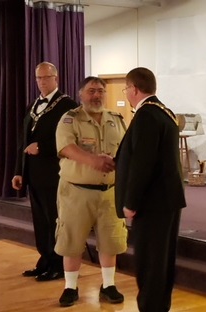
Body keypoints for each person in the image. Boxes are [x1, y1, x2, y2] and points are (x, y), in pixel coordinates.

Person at [115, 67, 186, 312]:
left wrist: (130, 202)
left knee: (150, 262)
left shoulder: (146, 115)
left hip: (151, 202)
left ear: (134, 88)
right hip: (166, 200)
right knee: (162, 260)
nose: (127, 93)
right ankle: (158, 306)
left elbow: (142, 163)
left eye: (127, 89)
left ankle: (150, 307)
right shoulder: (164, 112)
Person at [54, 76, 128, 307]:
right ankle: (70, 287)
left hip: (110, 193)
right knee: (72, 241)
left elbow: (126, 150)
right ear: (81, 94)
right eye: (91, 91)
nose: (96, 95)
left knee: (110, 241)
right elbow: (66, 147)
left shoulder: (116, 120)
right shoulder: (70, 119)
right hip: (77, 192)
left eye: (100, 91)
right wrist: (93, 160)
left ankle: (108, 285)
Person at [12, 62, 78, 282]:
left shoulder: (67, 105)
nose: (41, 82)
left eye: (46, 77)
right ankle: (45, 259)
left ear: (56, 78)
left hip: (54, 173)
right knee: (40, 221)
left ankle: (59, 264)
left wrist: (44, 147)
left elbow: (71, 139)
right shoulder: (33, 105)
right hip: (34, 174)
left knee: (55, 220)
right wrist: (18, 171)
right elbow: (23, 140)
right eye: (38, 78)